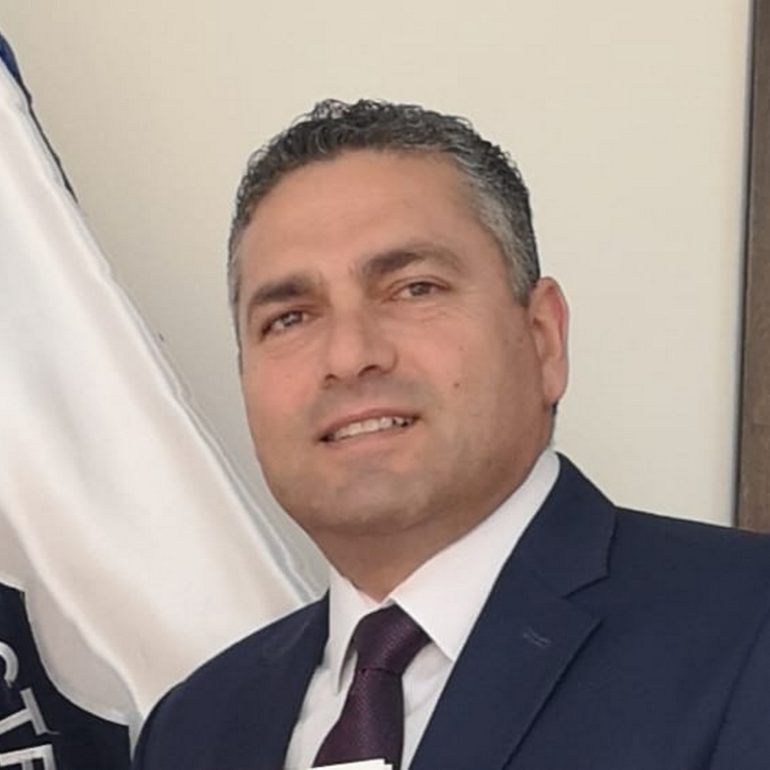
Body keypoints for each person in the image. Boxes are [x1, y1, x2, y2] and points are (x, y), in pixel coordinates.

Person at [132, 100, 770, 770]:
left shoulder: (749, 627)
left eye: (414, 288)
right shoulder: (193, 728)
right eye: (289, 318)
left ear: (542, 339)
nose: (349, 355)